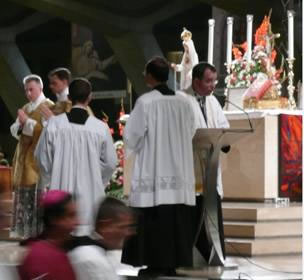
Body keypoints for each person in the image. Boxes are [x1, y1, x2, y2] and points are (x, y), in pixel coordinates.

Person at [121, 56, 196, 276]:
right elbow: (191, 131)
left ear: (150, 76)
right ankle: (174, 262)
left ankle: (154, 263)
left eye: (146, 73)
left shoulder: (146, 102)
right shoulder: (184, 101)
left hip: (155, 170)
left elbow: (132, 137)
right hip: (179, 171)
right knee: (176, 220)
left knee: (155, 219)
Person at [34, 78, 117, 235]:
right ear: (90, 97)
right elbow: (111, 163)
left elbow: (41, 158)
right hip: (91, 197)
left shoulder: (54, 124)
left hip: (61, 196)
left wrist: (55, 174)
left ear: (69, 98)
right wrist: (97, 177)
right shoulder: (100, 128)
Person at [181, 62, 230, 264]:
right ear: (196, 81)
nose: (212, 85)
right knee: (194, 213)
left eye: (214, 81)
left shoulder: (213, 102)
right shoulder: (182, 100)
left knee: (210, 210)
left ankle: (213, 254)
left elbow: (223, 126)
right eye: (208, 81)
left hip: (210, 167)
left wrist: (224, 142)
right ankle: (194, 255)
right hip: (191, 167)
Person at [10, 74, 54, 239]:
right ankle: (26, 234)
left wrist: (27, 121)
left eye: (31, 89)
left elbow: (47, 132)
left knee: (36, 199)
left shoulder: (48, 106)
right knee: (23, 199)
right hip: (23, 157)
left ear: (40, 88)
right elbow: (14, 130)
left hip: (37, 160)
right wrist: (21, 125)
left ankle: (38, 235)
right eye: (26, 90)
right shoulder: (26, 107)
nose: (28, 93)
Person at [67, 197, 135, 280]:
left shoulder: (102, 252)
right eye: (122, 227)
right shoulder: (89, 257)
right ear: (105, 226)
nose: (129, 233)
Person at [18, 190, 78, 280]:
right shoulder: (39, 256)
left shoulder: (58, 250)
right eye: (70, 216)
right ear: (53, 219)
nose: (77, 222)